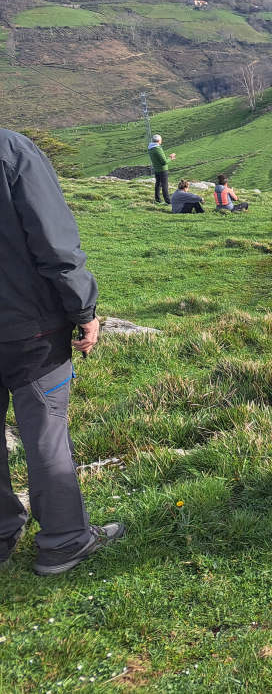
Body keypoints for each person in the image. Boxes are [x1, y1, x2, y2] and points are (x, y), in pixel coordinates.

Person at [0, 129, 125, 575]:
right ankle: (63, 540)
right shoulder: (11, 150)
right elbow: (54, 241)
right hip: (28, 327)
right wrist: (84, 308)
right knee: (45, 429)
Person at [148, 133, 176, 204]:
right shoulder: (157, 149)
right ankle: (168, 201)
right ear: (159, 141)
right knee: (164, 185)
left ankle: (157, 199)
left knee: (158, 184)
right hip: (162, 169)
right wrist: (171, 157)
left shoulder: (150, 148)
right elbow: (164, 162)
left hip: (156, 169)